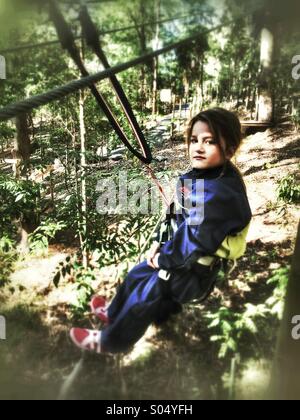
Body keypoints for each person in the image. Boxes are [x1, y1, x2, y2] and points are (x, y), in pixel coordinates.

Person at [70, 108, 252, 354]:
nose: (198, 147)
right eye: (194, 140)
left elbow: (194, 239)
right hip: (182, 256)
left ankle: (113, 342)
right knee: (136, 274)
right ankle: (112, 313)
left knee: (147, 293)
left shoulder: (219, 194)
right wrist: (159, 240)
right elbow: (177, 213)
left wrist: (164, 258)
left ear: (229, 150)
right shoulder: (200, 176)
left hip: (194, 271)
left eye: (209, 142)